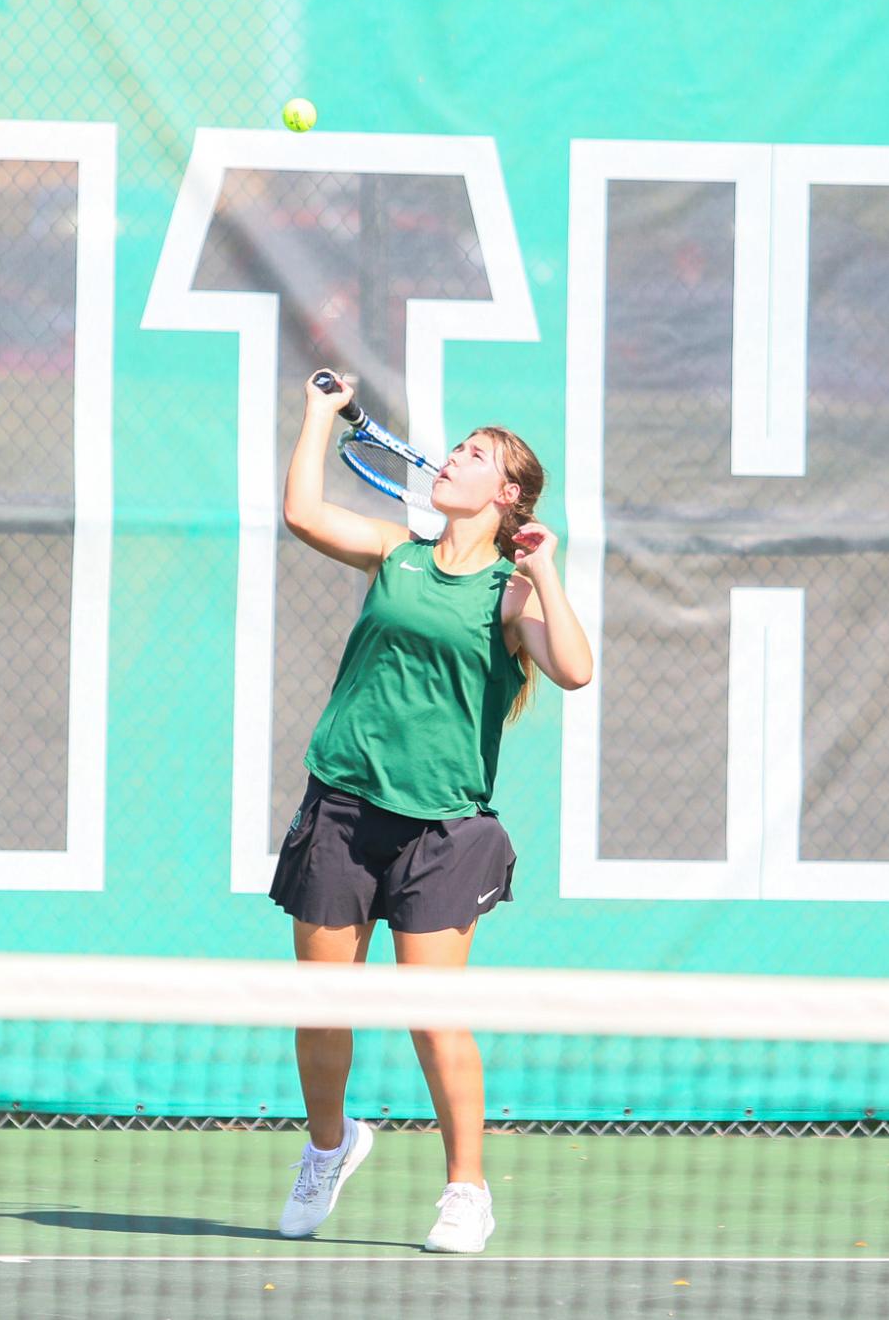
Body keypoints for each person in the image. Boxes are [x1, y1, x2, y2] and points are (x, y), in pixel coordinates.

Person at [270, 369, 592, 1253]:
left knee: (431, 1012)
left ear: (508, 494)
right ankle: (329, 1148)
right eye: (456, 448)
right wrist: (315, 415)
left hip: (443, 831)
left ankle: (465, 1190)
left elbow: (573, 668)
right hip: (341, 806)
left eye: (475, 455)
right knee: (321, 1005)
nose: (453, 458)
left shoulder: (509, 592)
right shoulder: (396, 551)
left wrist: (545, 571)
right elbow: (302, 514)